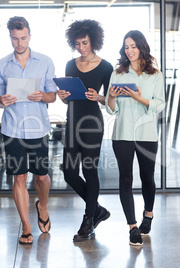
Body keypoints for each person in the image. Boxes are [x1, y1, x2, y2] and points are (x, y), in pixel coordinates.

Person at [0, 16, 56, 245]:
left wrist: (43, 96)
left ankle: (43, 205)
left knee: (42, 176)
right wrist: (4, 100)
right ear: (10, 37)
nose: (19, 43)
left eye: (23, 38)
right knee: (19, 177)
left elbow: (52, 95)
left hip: (38, 128)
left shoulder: (45, 61)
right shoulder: (1, 65)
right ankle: (27, 227)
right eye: (15, 39)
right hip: (13, 129)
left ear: (29, 35)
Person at [105, 30, 165, 246]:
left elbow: (160, 104)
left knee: (148, 178)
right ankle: (132, 227)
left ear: (141, 47)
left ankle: (148, 215)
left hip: (147, 134)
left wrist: (140, 98)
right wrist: (110, 97)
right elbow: (112, 110)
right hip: (122, 134)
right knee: (125, 179)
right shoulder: (118, 73)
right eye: (126, 47)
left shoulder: (155, 75)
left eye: (133, 46)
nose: (129, 51)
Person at [57, 19, 113, 242]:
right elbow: (68, 98)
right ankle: (97, 209)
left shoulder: (106, 67)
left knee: (90, 172)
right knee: (69, 172)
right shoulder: (70, 65)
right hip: (72, 122)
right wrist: (63, 96)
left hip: (92, 124)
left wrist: (98, 96)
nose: (81, 47)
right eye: (77, 43)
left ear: (94, 41)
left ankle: (89, 219)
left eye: (85, 43)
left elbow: (110, 101)